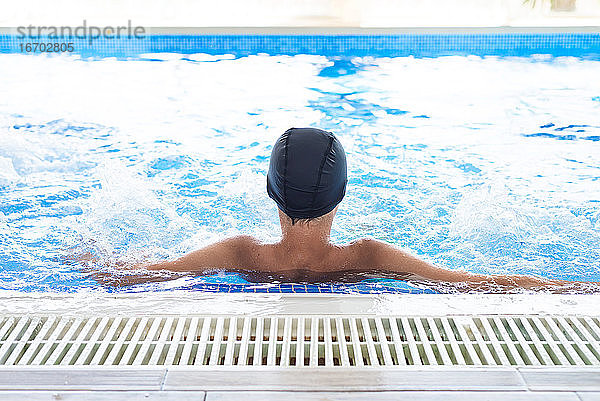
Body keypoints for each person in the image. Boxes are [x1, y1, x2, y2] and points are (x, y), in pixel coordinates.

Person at [119, 127, 577, 292]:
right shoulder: (368, 258)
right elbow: (472, 284)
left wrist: (84, 256)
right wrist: (576, 288)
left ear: (270, 192)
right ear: (342, 195)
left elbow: (136, 275)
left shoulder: (240, 254)